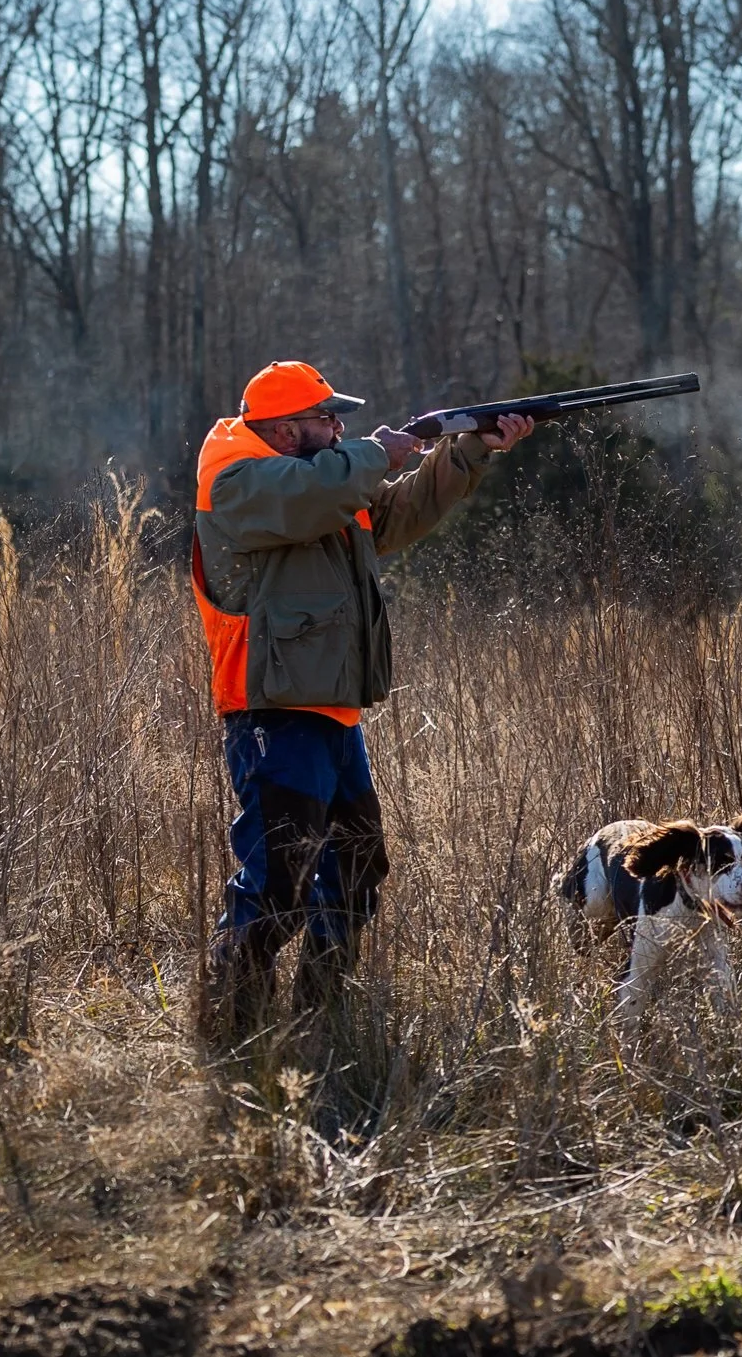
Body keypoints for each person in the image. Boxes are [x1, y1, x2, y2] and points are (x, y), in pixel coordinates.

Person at [191, 359, 533, 1043]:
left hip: (330, 707)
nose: (339, 427)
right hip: (274, 708)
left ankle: (322, 1016)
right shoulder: (237, 479)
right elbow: (314, 494)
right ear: (288, 431)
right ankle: (229, 1032)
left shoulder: (322, 480)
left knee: (356, 861)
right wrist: (378, 450)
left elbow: (394, 514)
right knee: (278, 876)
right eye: (326, 418)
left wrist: (468, 450)